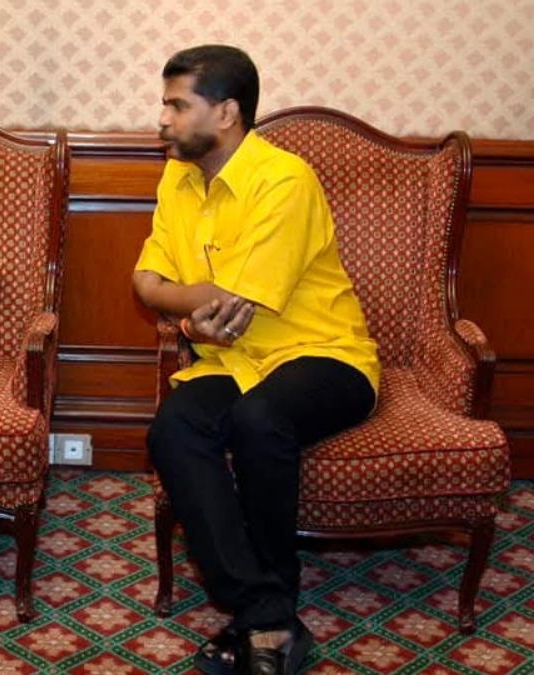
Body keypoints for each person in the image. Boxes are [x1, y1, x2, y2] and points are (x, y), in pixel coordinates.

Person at [132, 45, 379, 675]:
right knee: (174, 427)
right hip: (232, 360)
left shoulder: (284, 180)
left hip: (325, 354)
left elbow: (225, 301)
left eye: (176, 105)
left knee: (258, 420)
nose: (162, 118)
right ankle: (266, 615)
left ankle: (264, 617)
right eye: (164, 103)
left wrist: (183, 304)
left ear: (226, 113)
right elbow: (145, 282)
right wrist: (189, 309)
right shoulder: (178, 177)